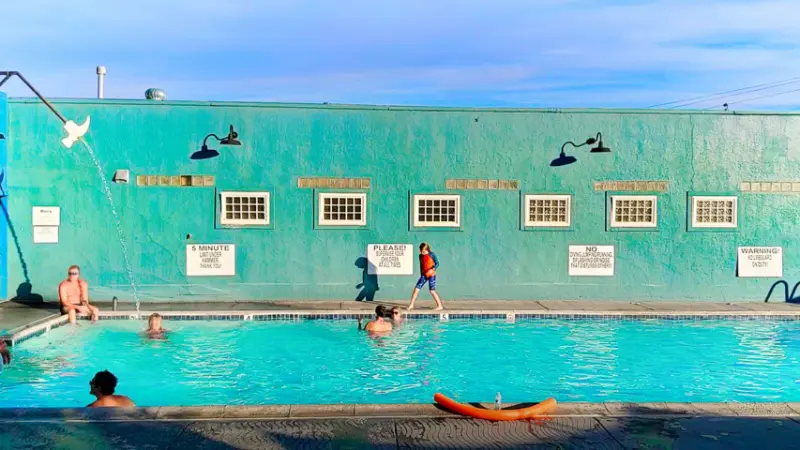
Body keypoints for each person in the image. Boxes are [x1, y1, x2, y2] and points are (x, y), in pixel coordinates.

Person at [408, 242, 444, 311]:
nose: (422, 252)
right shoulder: (420, 256)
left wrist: (432, 270)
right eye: (421, 251)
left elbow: (437, 263)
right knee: (416, 289)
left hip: (431, 275)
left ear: (427, 249)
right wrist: (422, 275)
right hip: (424, 275)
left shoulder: (432, 254)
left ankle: (440, 306)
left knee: (432, 291)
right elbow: (421, 266)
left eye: (423, 251)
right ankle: (411, 304)